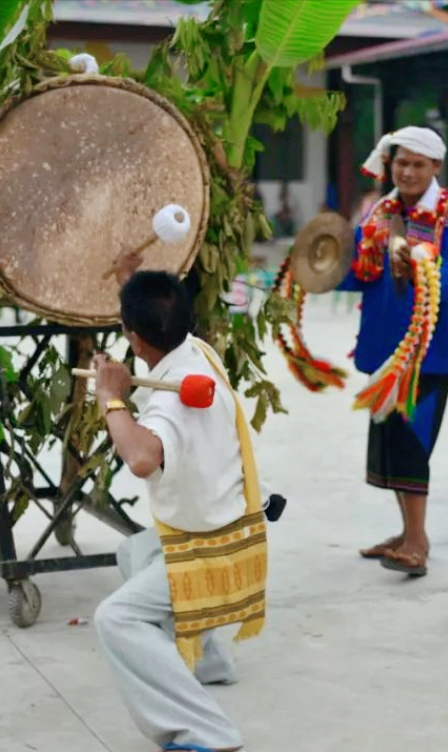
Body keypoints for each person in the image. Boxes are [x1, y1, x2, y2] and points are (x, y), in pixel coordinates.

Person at [91, 269, 268, 752]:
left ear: (133, 335)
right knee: (133, 554)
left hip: (211, 552)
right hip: (240, 533)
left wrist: (110, 400)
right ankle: (211, 659)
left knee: (116, 619)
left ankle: (208, 733)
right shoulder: (196, 353)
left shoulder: (174, 401)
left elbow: (143, 456)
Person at [339, 125, 448, 577]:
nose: (408, 171)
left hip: (428, 353)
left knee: (414, 444)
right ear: (389, 164)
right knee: (393, 443)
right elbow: (359, 271)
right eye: (401, 162)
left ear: (435, 167)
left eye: (418, 164)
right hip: (384, 348)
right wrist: (322, 267)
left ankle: (417, 540)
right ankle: (405, 532)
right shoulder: (379, 212)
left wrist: (421, 266)